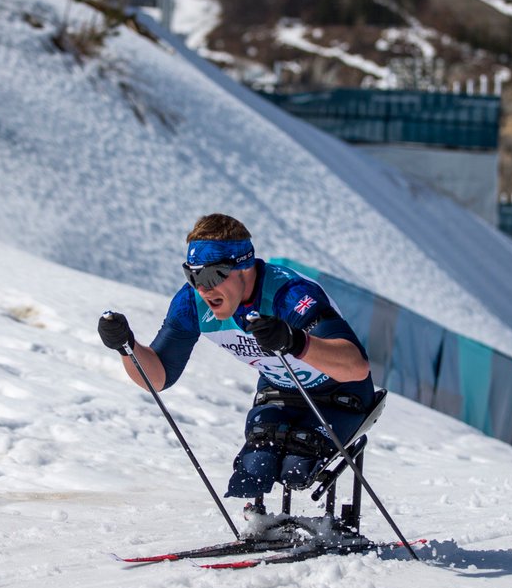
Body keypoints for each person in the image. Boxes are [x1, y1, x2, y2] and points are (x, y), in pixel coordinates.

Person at [98, 213, 375, 515]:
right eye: (192, 275)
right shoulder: (192, 303)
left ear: (243, 267)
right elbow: (159, 377)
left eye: (212, 275)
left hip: (339, 393)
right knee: (253, 471)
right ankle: (261, 523)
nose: (202, 288)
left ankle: (331, 527)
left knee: (298, 466)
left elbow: (356, 366)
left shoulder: (289, 294)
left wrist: (295, 341)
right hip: (281, 391)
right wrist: (126, 346)